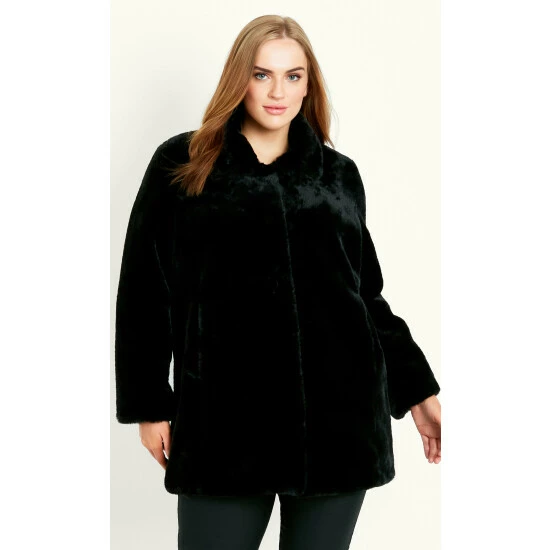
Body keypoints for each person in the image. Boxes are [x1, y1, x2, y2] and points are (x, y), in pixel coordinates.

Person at [115, 14, 441, 550]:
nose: (277, 91)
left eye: (293, 76)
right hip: (224, 428)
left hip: (337, 428)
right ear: (238, 78)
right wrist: (150, 404)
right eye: (262, 74)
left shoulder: (338, 176)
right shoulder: (183, 163)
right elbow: (144, 290)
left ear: (309, 85)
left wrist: (417, 390)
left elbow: (365, 296)